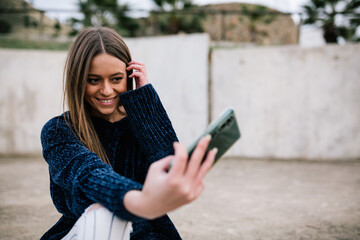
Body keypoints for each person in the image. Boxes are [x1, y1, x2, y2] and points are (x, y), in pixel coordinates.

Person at [40, 26, 217, 240]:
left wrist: (145, 98)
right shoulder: (58, 131)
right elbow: (87, 175)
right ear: (78, 80)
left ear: (128, 76)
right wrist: (139, 201)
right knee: (102, 218)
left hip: (149, 229)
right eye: (94, 80)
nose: (106, 90)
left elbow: (168, 165)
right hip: (87, 227)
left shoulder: (141, 121)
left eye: (116, 79)